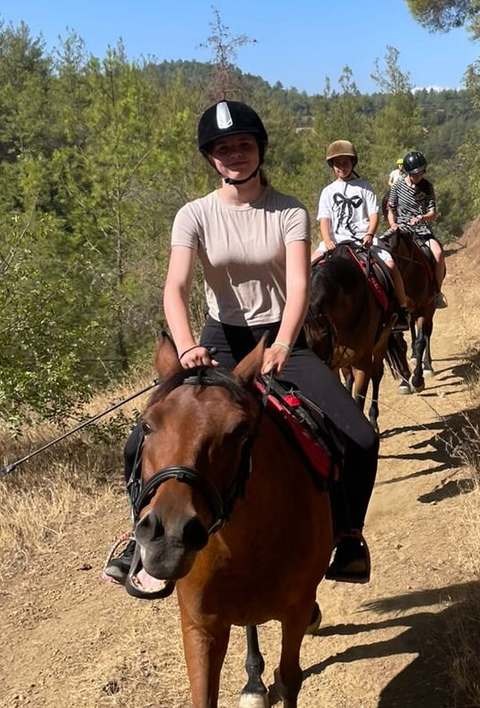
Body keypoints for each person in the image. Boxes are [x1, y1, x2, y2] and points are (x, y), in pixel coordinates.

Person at [105, 100, 377, 587]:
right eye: (224, 147)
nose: (235, 154)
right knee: (137, 442)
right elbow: (175, 288)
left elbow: (298, 287)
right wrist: (187, 346)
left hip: (281, 337)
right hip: (216, 338)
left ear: (259, 149)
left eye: (244, 145)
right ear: (211, 156)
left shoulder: (289, 211)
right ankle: (138, 539)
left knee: (360, 437)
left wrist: (283, 343)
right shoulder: (194, 215)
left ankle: (347, 535)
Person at [313, 140, 410, 327]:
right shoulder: (327, 192)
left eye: (345, 162)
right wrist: (327, 240)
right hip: (335, 240)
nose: (341, 167)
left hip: (362, 239)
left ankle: (401, 308)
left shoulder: (364, 186)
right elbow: (324, 220)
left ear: (352, 163)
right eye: (337, 163)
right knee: (307, 269)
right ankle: (306, 318)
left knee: (390, 265)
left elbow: (373, 214)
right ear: (332, 166)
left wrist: (369, 234)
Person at [387, 150, 447, 307]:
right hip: (400, 228)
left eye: (421, 172)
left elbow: (433, 213)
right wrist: (393, 224)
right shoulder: (397, 186)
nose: (419, 175)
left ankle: (437, 293)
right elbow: (391, 209)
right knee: (381, 253)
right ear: (408, 172)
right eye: (416, 173)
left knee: (439, 254)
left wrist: (422, 217)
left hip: (422, 230)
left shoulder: (427, 187)